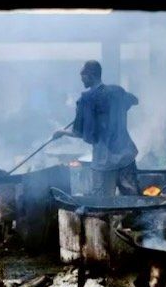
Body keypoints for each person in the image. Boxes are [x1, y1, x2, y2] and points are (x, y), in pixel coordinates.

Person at [54, 60, 140, 196]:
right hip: (126, 156)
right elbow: (135, 101)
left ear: (91, 75)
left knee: (103, 202)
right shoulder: (117, 91)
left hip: (104, 162)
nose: (81, 79)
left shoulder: (86, 100)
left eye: (83, 75)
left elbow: (80, 133)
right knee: (133, 199)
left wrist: (61, 132)